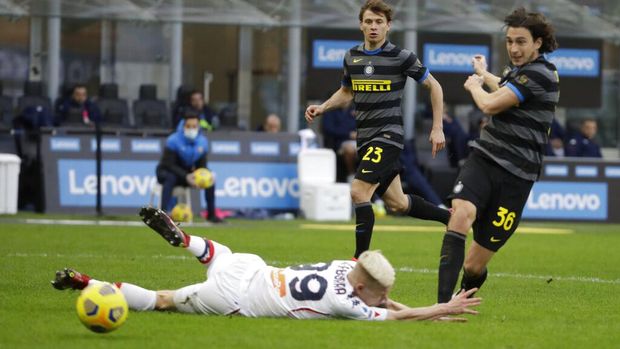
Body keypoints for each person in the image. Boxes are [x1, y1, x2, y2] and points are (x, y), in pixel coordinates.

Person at [51, 207, 481, 321]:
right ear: (364, 289)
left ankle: (184, 239)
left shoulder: (342, 270)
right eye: (381, 295)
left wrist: (404, 306)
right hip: (235, 297)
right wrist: (441, 309)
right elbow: (391, 316)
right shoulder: (345, 304)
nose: (387, 300)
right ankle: (90, 282)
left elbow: (384, 304)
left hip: (249, 266)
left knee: (216, 254)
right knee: (162, 301)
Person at [305, 0, 449, 259]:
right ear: (361, 25)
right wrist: (323, 107)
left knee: (358, 190)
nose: (373, 26)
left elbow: (435, 86)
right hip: (365, 138)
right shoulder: (352, 56)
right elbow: (347, 92)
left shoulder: (401, 56)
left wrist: (437, 127)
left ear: (388, 26)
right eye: (369, 21)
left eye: (379, 22)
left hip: (388, 136)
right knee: (398, 203)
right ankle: (450, 217)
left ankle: (359, 261)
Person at [436, 7, 559, 303]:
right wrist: (484, 73)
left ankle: (464, 294)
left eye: (521, 42)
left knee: (474, 265)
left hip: (517, 178)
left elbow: (491, 105)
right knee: (460, 214)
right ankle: (440, 306)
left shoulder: (541, 74)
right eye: (509, 42)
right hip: (484, 159)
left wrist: (475, 86)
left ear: (538, 43)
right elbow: (506, 85)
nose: (513, 49)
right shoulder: (519, 72)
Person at [156, 113, 223, 223]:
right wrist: (186, 176)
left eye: (194, 126)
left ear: (198, 127)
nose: (191, 129)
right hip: (166, 171)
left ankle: (211, 215)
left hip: (188, 175)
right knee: (170, 177)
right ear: (183, 126)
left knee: (210, 180)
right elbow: (169, 165)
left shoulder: (202, 142)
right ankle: (163, 215)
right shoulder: (173, 140)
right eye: (188, 126)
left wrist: (204, 175)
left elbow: (202, 166)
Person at [321, 104, 357, 182]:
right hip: (339, 142)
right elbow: (329, 129)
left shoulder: (356, 110)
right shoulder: (330, 112)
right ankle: (351, 175)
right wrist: (349, 134)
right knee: (349, 149)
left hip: (358, 141)